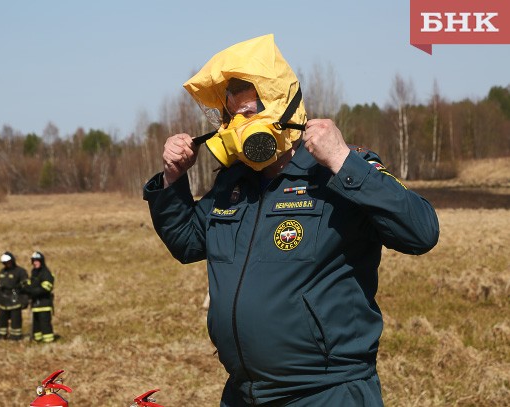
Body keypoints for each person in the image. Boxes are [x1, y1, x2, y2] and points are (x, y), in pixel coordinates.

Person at [143, 34, 439, 406]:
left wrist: (344, 162)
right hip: (243, 393)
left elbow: (422, 232)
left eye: (248, 114)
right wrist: (172, 179)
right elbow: (186, 242)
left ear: (282, 108)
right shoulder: (234, 185)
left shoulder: (338, 173)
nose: (236, 127)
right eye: (229, 116)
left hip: (326, 394)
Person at [0, 251, 28, 341]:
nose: (7, 264)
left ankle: (15, 337)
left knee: (16, 320)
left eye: (8, 262)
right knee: (1, 321)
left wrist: (25, 300)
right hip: (3, 300)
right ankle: (1, 336)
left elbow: (25, 288)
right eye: (5, 263)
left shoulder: (20, 272)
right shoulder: (2, 272)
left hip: (15, 299)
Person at [22, 251, 55, 343]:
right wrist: (25, 287)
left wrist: (31, 291)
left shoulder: (46, 273)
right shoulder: (34, 272)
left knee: (45, 324)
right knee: (36, 325)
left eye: (37, 261)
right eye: (34, 261)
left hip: (44, 303)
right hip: (35, 304)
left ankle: (49, 342)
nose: (35, 263)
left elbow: (45, 288)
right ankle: (38, 340)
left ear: (42, 261)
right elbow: (31, 284)